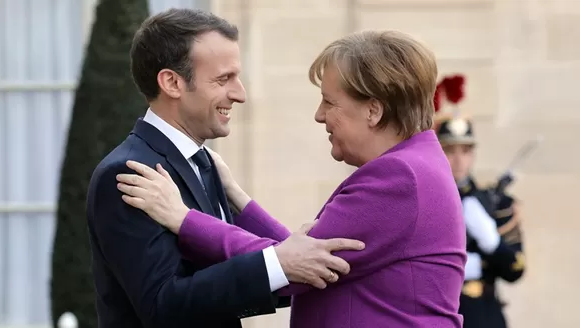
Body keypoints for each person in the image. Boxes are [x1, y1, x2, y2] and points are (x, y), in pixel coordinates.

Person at [116, 30, 467, 328]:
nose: (319, 116)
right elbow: (304, 258)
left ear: (373, 110)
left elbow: (293, 269)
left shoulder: (400, 178)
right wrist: (238, 199)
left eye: (329, 102)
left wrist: (183, 219)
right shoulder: (414, 167)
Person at [86, 8, 365, 328]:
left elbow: (233, 262)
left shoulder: (205, 163)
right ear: (172, 82)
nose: (240, 94)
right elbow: (162, 306)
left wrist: (281, 266)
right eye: (223, 79)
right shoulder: (131, 173)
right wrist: (276, 266)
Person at [433, 75, 526, 328]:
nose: (458, 160)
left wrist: (491, 242)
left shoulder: (497, 203)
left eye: (465, 151)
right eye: (450, 151)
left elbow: (515, 269)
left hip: (484, 316)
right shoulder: (426, 202)